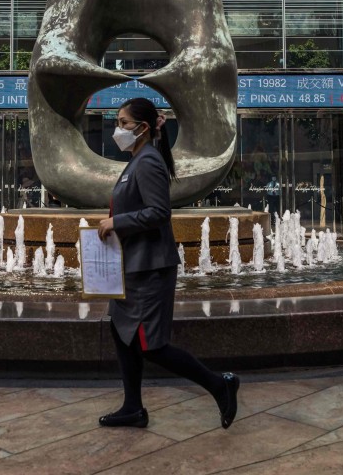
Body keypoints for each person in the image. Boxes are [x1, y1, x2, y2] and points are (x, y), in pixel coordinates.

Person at [97, 97, 240, 429]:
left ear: (143, 128)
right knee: (121, 332)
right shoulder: (137, 160)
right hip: (132, 266)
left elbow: (159, 212)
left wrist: (116, 223)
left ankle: (221, 384)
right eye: (117, 122)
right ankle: (133, 408)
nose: (118, 129)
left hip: (150, 269)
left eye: (123, 123)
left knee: (150, 344)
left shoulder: (147, 162)